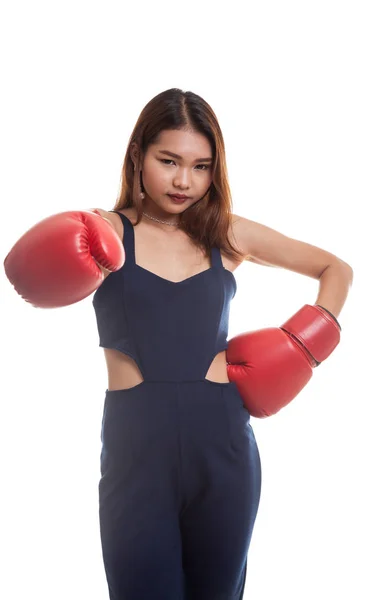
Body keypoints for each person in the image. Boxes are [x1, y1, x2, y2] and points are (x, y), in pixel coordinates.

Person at [3, 88, 353, 599]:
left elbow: (335, 270)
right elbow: (24, 273)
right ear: (137, 155)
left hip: (223, 440)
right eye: (168, 161)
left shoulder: (225, 234)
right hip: (136, 443)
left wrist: (305, 346)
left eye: (201, 166)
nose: (184, 180)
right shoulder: (104, 232)